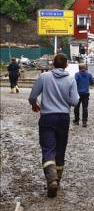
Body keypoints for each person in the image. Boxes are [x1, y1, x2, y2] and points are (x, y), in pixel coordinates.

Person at [28, 53, 79, 197]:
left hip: (47, 118)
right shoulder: (70, 79)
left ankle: (51, 179)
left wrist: (35, 105)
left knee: (48, 148)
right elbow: (75, 102)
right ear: (66, 65)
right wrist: (65, 98)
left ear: (53, 64)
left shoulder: (44, 77)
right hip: (63, 118)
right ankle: (58, 179)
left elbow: (32, 97)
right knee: (60, 149)